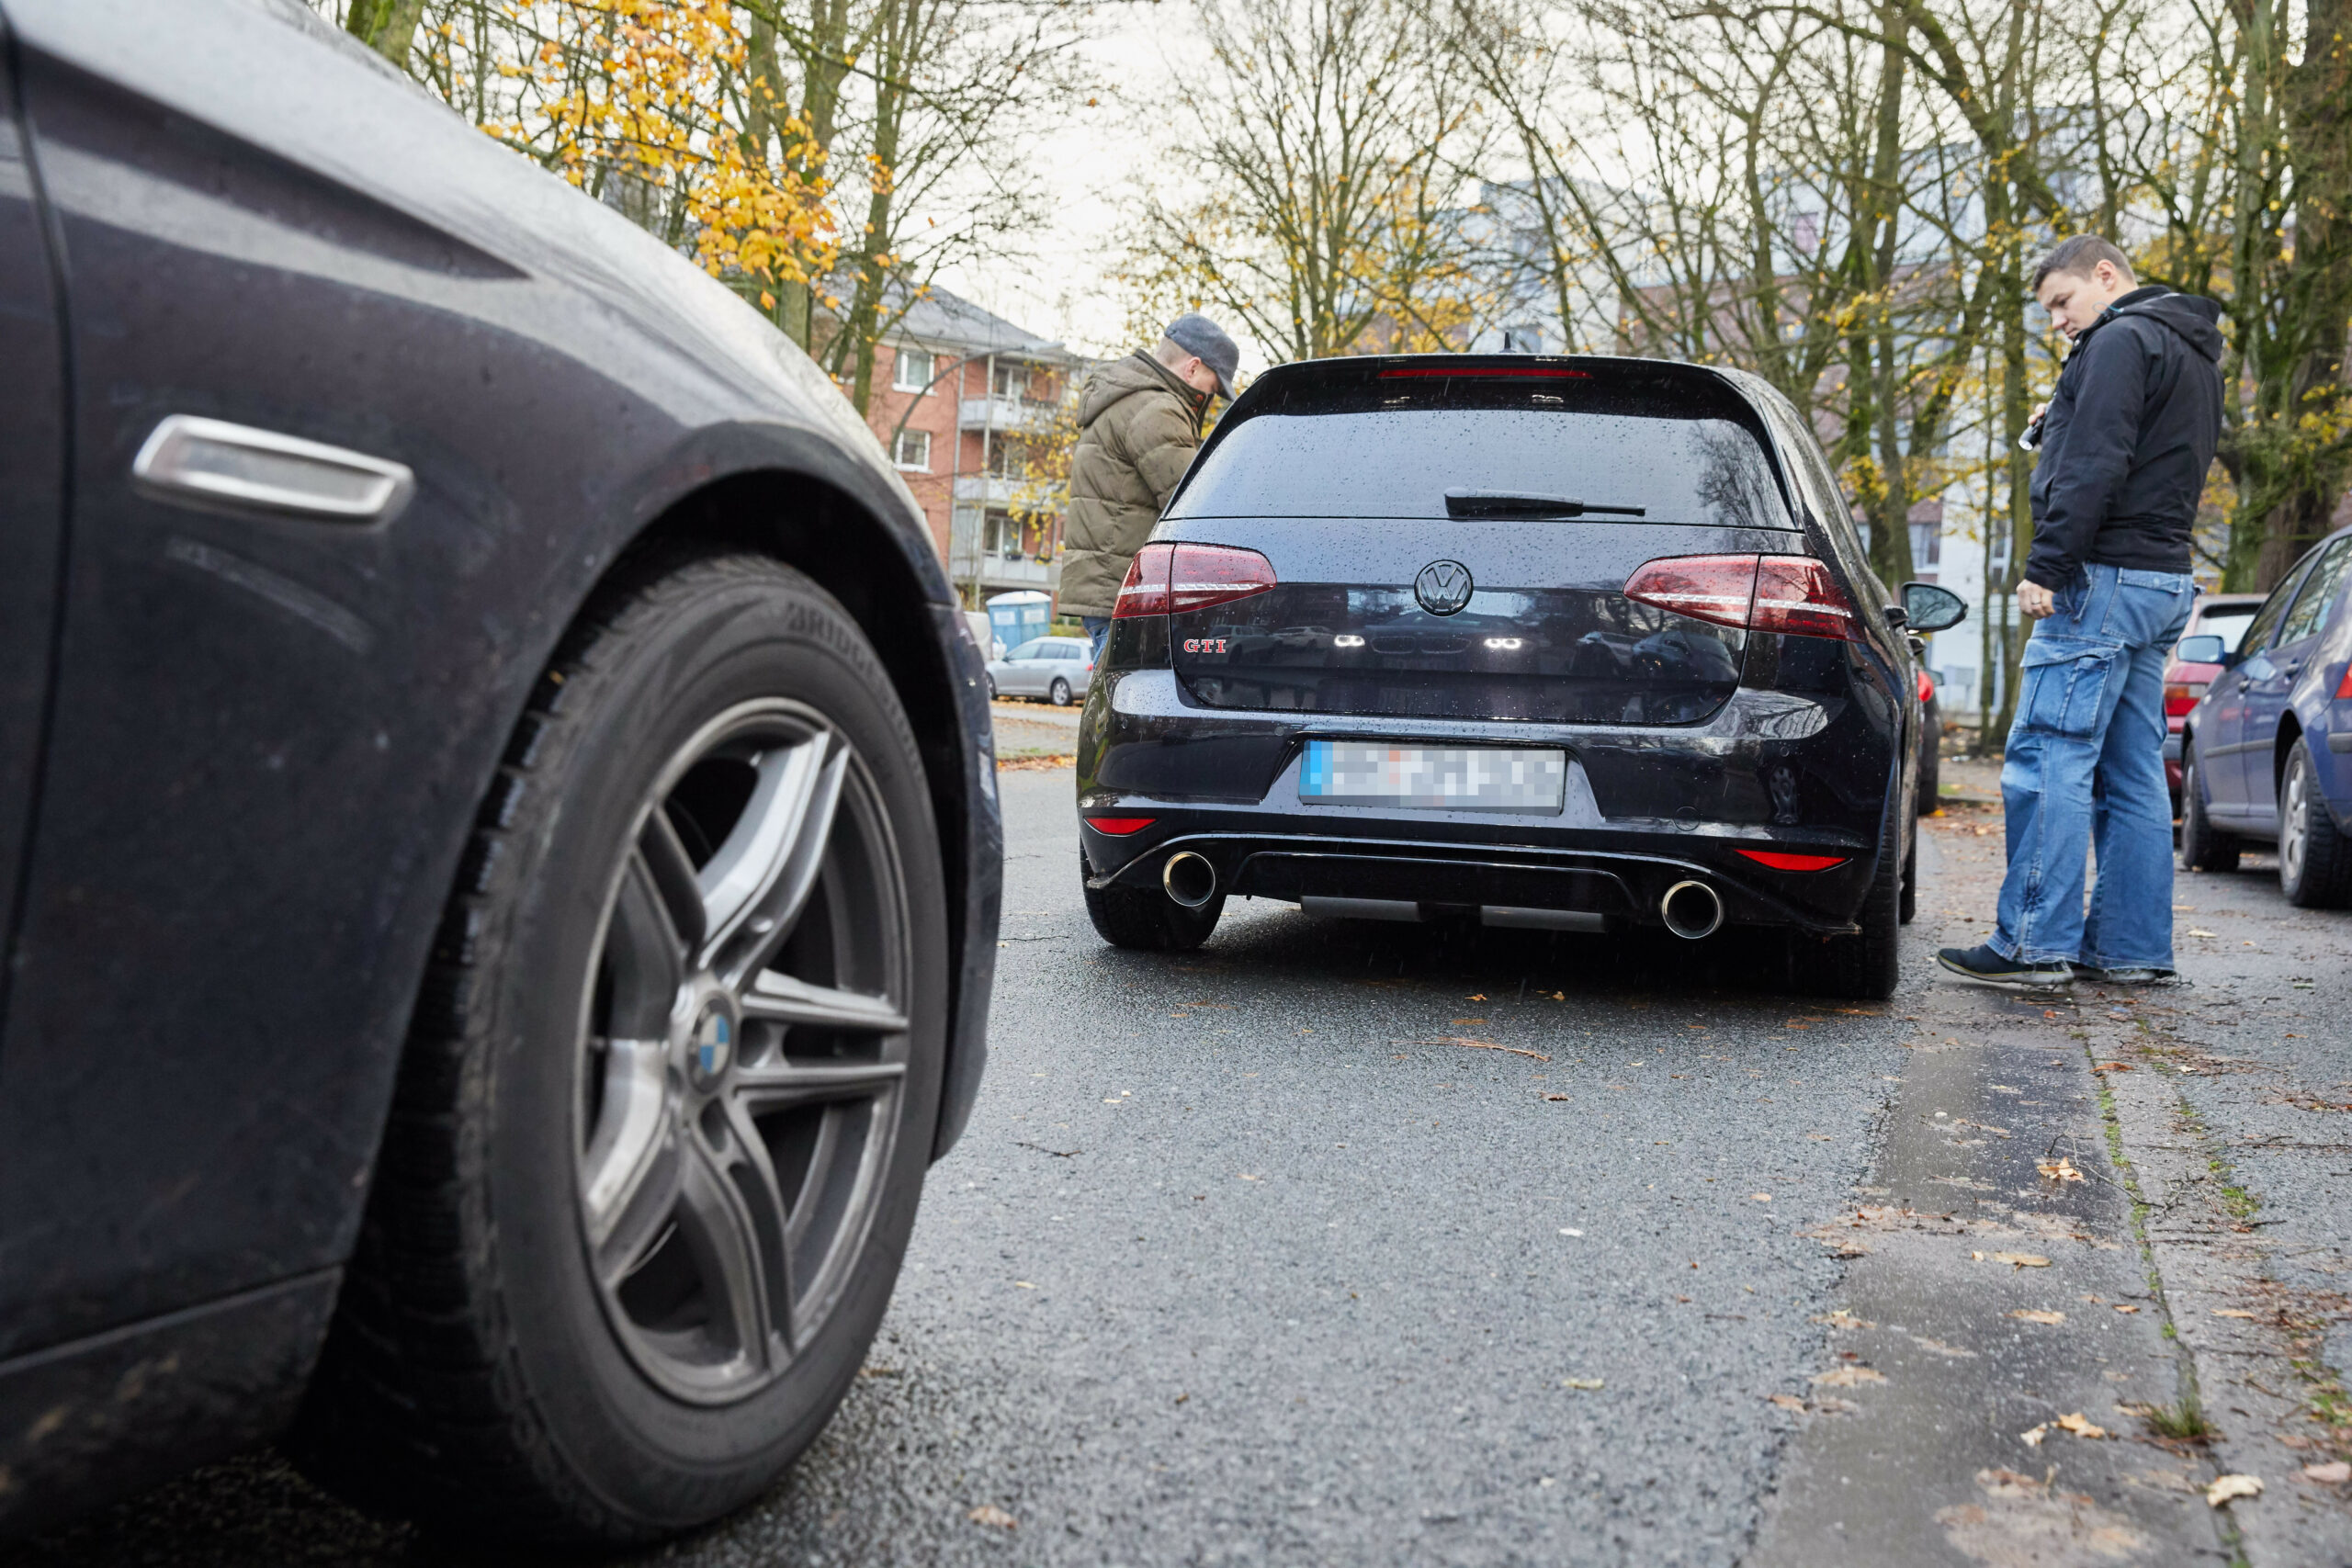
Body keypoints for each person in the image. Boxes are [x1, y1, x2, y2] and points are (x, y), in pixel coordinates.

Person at [1939, 236, 2222, 987]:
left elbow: (2097, 462)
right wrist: (2066, 408)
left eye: (2063, 302)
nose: (2059, 321)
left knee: (2049, 757)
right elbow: (2140, 449)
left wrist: (2047, 568)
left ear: (2106, 275)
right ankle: (2130, 950)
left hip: (2100, 581)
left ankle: (2032, 943)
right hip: (2164, 581)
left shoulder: (2120, 339)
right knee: (2131, 770)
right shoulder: (2191, 350)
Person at [1060, 313, 1240, 660]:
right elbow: (1192, 503)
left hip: (1107, 587)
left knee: (1113, 702)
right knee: (1127, 705)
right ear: (1192, 368)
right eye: (1213, 387)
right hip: (1128, 591)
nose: (1210, 397)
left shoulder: (1127, 395)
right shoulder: (1155, 408)